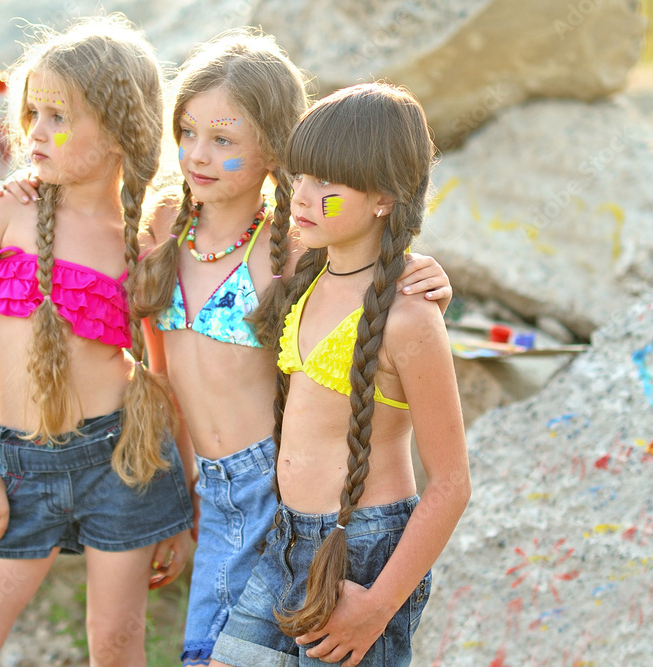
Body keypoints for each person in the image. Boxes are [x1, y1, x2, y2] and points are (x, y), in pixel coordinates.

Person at [0, 31, 452, 667]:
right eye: (186, 133)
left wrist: (424, 270)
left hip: (275, 485)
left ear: (274, 149)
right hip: (206, 489)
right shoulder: (161, 226)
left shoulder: (291, 250)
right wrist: (28, 185)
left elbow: (367, 260)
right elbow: (88, 209)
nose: (197, 155)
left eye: (224, 139)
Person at [0, 16, 193, 667]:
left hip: (127, 461)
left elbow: (164, 368)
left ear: (120, 130)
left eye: (59, 117)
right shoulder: (3, 213)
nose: (35, 133)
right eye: (33, 113)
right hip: (22, 471)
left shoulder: (147, 232)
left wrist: (182, 498)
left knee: (115, 643)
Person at [208, 83, 471, 667]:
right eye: (301, 176)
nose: (303, 195)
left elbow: (452, 484)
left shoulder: (410, 319)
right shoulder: (307, 273)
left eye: (328, 182)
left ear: (383, 197)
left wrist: (378, 607)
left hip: (366, 552)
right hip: (287, 542)